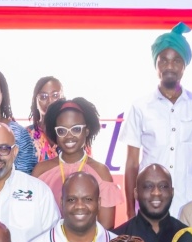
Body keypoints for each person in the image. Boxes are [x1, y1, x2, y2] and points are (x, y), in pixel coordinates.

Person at [119, 22, 192, 219]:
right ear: (155, 64)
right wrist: (131, 210)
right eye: (163, 60)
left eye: (176, 61)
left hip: (190, 206)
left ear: (184, 66)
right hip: (149, 206)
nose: (169, 66)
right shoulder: (140, 106)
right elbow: (131, 164)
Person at [32, 97, 125, 227]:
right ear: (55, 133)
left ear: (86, 130)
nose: (69, 136)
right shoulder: (41, 172)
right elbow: (33, 220)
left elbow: (106, 228)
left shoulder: (100, 172)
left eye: (76, 129)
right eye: (62, 131)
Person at [116, 164, 186, 242]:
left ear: (172, 192)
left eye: (163, 186)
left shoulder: (186, 236)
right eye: (148, 187)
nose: (156, 193)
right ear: (136, 193)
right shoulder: (117, 238)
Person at [27, 76, 63, 163]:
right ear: (35, 101)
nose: (49, 101)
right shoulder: (26, 135)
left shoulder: (75, 133)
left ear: (63, 98)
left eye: (55, 95)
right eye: (43, 96)